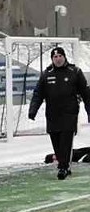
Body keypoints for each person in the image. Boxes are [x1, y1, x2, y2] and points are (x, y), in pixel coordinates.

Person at [29, 46, 90, 180]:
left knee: (66, 142)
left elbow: (86, 94)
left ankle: (64, 167)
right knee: (56, 143)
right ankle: (62, 164)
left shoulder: (75, 72)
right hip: (52, 115)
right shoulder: (46, 74)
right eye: (55, 57)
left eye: (60, 56)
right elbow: (38, 94)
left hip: (69, 114)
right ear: (52, 59)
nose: (57, 59)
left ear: (64, 57)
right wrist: (33, 110)